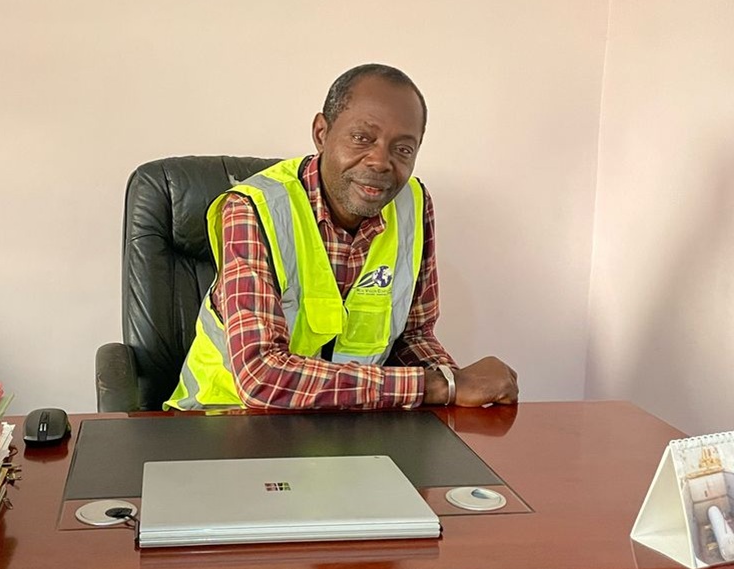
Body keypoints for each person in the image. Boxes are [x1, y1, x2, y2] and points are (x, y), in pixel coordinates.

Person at [165, 63, 518, 411]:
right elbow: (261, 377)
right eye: (362, 138)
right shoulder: (255, 209)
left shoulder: (413, 204)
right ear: (321, 133)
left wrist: (456, 383)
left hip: (343, 426)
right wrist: (438, 387)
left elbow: (413, 336)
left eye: (403, 149)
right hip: (224, 421)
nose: (380, 162)